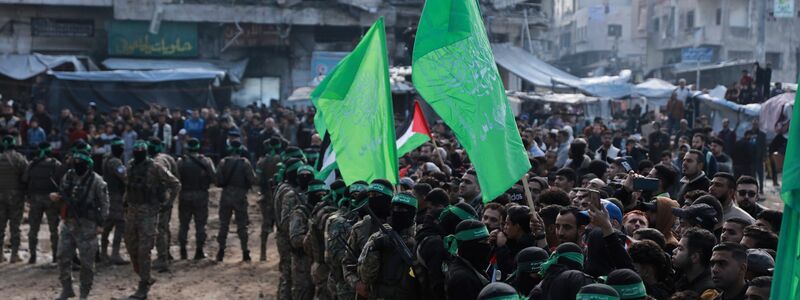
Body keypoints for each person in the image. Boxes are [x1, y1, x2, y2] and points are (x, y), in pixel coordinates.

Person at [122, 140, 181, 300]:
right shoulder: (131, 165)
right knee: (131, 246)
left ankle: (143, 285)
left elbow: (175, 183)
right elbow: (128, 186)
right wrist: (124, 204)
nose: (137, 153)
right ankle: (145, 276)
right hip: (132, 212)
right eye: (136, 150)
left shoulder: (155, 167)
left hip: (149, 213)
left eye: (140, 150)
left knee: (144, 250)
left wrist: (168, 203)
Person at [50, 151, 109, 300]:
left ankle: (84, 293)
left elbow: (104, 204)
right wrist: (56, 197)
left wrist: (101, 224)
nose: (77, 165)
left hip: (87, 226)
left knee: (87, 263)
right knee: (62, 257)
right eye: (75, 162)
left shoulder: (97, 181)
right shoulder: (68, 176)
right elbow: (63, 194)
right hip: (68, 224)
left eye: (80, 163)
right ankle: (67, 288)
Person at [358, 192, 419, 299]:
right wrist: (375, 249)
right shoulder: (378, 237)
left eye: (402, 210)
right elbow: (366, 276)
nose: (396, 212)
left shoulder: (419, 237)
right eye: (394, 208)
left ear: (412, 212)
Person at [344, 179, 395, 299]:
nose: (372, 199)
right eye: (370, 195)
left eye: (376, 195)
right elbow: (347, 262)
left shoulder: (400, 224)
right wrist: (357, 283)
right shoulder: (360, 228)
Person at [23, 142, 65, 264]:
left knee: (33, 229)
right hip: (51, 199)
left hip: (35, 199)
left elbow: (25, 179)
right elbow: (62, 181)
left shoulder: (32, 164)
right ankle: (55, 256)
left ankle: (32, 256)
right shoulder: (55, 164)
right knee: (53, 229)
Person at [215, 139, 256, 262]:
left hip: (226, 196)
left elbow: (217, 181)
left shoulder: (223, 162)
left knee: (223, 224)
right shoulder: (245, 163)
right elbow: (252, 179)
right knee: (242, 225)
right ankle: (245, 252)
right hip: (240, 196)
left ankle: (221, 251)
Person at [176, 138, 216, 260]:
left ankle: (183, 251)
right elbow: (214, 177)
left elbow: (176, 179)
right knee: (200, 224)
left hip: (185, 195)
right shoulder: (205, 161)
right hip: (201, 195)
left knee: (183, 224)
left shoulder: (181, 162)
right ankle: (199, 251)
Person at [274, 157, 304, 300]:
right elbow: (286, 222)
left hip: (283, 236)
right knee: (288, 275)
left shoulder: (282, 186)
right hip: (287, 238)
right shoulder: (288, 192)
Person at [148, 137, 179, 272]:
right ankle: (167, 253)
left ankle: (162, 258)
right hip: (165, 196)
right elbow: (176, 177)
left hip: (158, 198)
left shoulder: (154, 163)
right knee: (165, 227)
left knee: (160, 229)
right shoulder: (168, 158)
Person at [443, 219, 491, 300]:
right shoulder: (463, 279)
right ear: (470, 246)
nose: (489, 246)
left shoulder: (469, 268)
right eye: (484, 241)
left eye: (488, 241)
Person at [0, 135, 29, 263]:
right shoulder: (19, 159)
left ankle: (0, 255)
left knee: (0, 226)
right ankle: (14, 255)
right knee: (15, 226)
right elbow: (26, 178)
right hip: (16, 197)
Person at [100, 139, 128, 265]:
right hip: (116, 196)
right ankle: (115, 254)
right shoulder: (115, 162)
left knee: (107, 225)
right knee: (120, 223)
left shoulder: (106, 159)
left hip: (107, 195)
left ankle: (103, 253)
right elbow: (124, 177)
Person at [255, 138, 282, 261]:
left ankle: (263, 254)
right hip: (280, 196)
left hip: (266, 196)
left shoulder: (261, 162)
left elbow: (257, 180)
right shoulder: (282, 160)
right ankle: (282, 254)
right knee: (281, 227)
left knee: (265, 225)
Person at [672, 227, 716, 295]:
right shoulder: (683, 279)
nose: (674, 251)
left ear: (695, 257)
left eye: (680, 249)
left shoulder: (708, 292)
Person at [745, 120, 767, 193]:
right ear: (752, 124)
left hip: (759, 157)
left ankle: (761, 189)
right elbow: (745, 143)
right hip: (750, 157)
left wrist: (764, 156)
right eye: (753, 124)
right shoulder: (749, 133)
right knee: (752, 175)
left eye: (756, 124)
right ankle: (754, 189)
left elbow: (764, 146)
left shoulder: (762, 134)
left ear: (758, 125)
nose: (755, 125)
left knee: (760, 175)